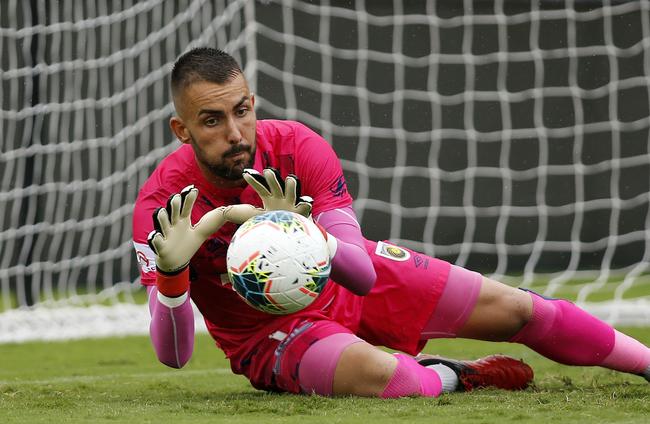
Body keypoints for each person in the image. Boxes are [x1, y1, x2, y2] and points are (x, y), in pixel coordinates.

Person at [132, 47, 649, 399]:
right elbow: (174, 356)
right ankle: (454, 375)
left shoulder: (297, 147)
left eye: (241, 111)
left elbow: (361, 274)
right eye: (212, 120)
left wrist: (305, 234)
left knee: (518, 309)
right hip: (271, 334)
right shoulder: (162, 206)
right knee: (389, 379)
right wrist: (173, 277)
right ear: (182, 129)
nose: (236, 132)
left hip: (344, 281)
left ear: (253, 104)